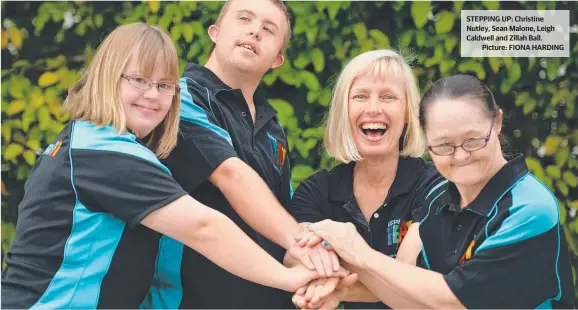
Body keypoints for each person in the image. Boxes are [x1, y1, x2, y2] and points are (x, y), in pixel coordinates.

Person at [0, 22, 321, 310]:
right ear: (109, 77)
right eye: (139, 79)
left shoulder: (93, 140)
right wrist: (289, 278)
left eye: (165, 85)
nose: (153, 95)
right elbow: (204, 228)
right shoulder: (105, 152)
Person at [302, 74, 575, 309]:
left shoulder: (529, 209)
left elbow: (454, 300)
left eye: (472, 140)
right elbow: (411, 287)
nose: (460, 156)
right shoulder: (438, 199)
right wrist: (341, 291)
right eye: (443, 145)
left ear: (498, 122)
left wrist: (359, 253)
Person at [147, 0, 339, 308]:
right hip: (192, 301)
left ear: (278, 58)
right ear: (215, 31)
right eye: (244, 19)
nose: (254, 31)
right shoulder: (181, 99)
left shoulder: (271, 124)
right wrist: (306, 246)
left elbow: (280, 210)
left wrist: (320, 262)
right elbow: (230, 175)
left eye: (268, 28)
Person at [286, 49, 440, 309]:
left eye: (388, 97)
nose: (373, 108)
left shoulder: (435, 185)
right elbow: (294, 259)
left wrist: (342, 256)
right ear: (343, 111)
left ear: (407, 113)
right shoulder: (316, 190)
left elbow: (405, 281)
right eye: (360, 96)